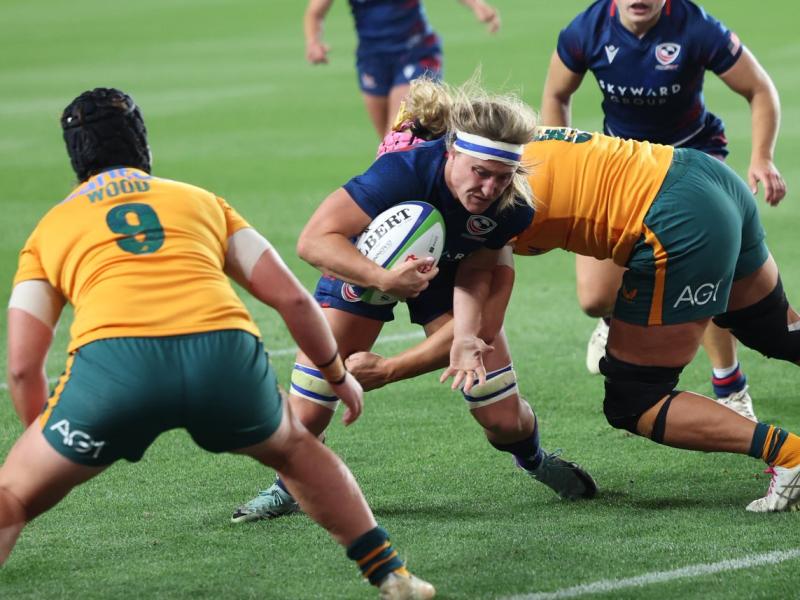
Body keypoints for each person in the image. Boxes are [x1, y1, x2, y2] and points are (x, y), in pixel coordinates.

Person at [0, 88, 435, 599]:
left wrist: (44, 441)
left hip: (114, 371)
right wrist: (336, 376)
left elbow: (23, 368)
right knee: (297, 452)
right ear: (143, 145)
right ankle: (392, 575)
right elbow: (293, 300)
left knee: (13, 496)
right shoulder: (199, 201)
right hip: (222, 356)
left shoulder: (49, 229)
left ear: (75, 158)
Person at [231, 78, 597, 523]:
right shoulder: (402, 173)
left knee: (502, 417)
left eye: (502, 177)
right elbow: (313, 241)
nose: (489, 188)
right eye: (480, 172)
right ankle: (287, 485)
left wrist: (396, 366)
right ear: (453, 152)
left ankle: (534, 459)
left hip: (454, 270)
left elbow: (479, 283)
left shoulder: (513, 204)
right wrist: (384, 278)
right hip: (371, 263)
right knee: (308, 412)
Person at [442, 124, 800, 512]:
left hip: (676, 221)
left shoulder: (482, 201)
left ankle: (791, 456)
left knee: (636, 400)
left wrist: (396, 368)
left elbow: (482, 325)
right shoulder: (503, 144)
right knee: (776, 333)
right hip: (702, 173)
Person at [539, 0, 787, 421]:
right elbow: (556, 94)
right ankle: (613, 319)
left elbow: (759, 88)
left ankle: (729, 385)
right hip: (623, 165)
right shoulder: (585, 30)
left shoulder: (697, 28)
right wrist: (561, 158)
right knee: (595, 298)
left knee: (703, 275)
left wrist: (762, 156)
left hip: (692, 162)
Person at [304, 0, 501, 137]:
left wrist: (478, 5)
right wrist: (313, 42)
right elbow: (315, 13)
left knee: (399, 135)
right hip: (372, 60)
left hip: (418, 53)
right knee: (389, 143)